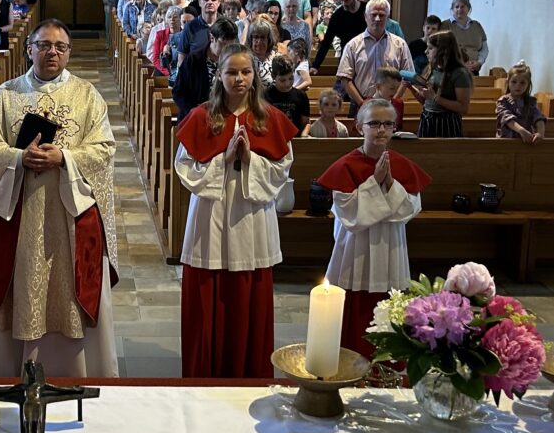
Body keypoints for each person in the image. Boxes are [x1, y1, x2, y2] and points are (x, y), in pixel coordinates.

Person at [0, 19, 119, 378]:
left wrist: (64, 157)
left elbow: (104, 148)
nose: (52, 52)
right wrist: (18, 157)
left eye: (60, 47)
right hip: (20, 216)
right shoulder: (6, 94)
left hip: (68, 218)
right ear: (29, 49)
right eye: (43, 45)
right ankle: (14, 374)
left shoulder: (87, 95)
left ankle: (74, 375)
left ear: (68, 53)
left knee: (67, 291)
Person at [174, 44, 297, 378]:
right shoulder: (201, 116)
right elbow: (184, 167)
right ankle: (205, 376)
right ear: (219, 75)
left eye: (245, 72)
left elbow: (282, 168)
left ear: (255, 76)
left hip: (252, 217)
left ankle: (248, 375)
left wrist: (250, 160)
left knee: (249, 294)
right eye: (231, 72)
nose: (239, 78)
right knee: (208, 293)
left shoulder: (269, 118)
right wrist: (223, 159)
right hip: (211, 215)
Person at [317, 98, 429, 359]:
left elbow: (410, 209)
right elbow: (348, 214)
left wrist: (390, 183)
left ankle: (388, 368)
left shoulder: (402, 165)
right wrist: (375, 182)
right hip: (355, 249)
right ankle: (349, 362)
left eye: (388, 124)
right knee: (353, 308)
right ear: (359, 127)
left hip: (391, 246)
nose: (381, 130)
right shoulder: (346, 165)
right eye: (374, 123)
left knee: (390, 306)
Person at [335, 0, 413, 116]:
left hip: (391, 105)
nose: (377, 19)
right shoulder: (353, 45)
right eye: (373, 15)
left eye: (381, 15)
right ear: (365, 17)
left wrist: (393, 101)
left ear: (388, 18)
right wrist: (362, 103)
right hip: (360, 103)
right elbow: (345, 78)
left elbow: (407, 77)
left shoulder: (400, 45)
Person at [173, 18, 239, 123]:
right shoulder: (193, 60)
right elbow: (178, 92)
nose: (227, 49)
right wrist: (195, 112)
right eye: (223, 44)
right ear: (212, 38)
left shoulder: (234, 62)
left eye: (231, 45)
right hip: (194, 118)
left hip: (224, 118)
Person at [412, 31, 472, 137]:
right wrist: (411, 87)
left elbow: (463, 107)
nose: (426, 51)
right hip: (428, 119)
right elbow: (426, 102)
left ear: (443, 50)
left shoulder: (459, 73)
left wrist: (435, 97)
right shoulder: (431, 68)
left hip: (447, 123)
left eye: (430, 48)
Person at [312, 0, 366, 73]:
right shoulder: (337, 16)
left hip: (366, 55)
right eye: (342, 1)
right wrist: (315, 65)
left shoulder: (367, 10)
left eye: (347, 0)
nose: (344, 4)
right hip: (347, 56)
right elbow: (326, 42)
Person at [496, 61, 547, 143]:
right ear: (508, 82)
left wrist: (540, 133)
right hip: (506, 141)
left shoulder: (531, 102)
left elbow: (538, 118)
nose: (518, 86)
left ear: (528, 84)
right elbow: (507, 119)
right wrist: (521, 130)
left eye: (522, 83)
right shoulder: (503, 101)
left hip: (527, 141)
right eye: (514, 82)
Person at [441, 0, 488, 74]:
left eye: (462, 6)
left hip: (473, 70)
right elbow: (442, 50)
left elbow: (484, 48)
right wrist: (460, 64)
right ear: (452, 9)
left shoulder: (476, 25)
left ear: (468, 8)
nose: (459, 9)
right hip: (453, 71)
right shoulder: (445, 26)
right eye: (457, 7)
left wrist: (479, 62)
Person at [266, 55, 310, 136]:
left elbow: (305, 122)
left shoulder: (301, 95)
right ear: (273, 76)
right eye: (282, 80)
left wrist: (304, 135)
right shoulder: (266, 95)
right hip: (273, 137)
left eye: (291, 78)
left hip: (295, 138)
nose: (287, 84)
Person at [247, 19, 282, 90]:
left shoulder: (278, 58)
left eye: (263, 37)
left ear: (268, 39)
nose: (259, 41)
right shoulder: (246, 58)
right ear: (251, 39)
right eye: (256, 37)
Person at [373, 67, 406, 131]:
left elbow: (398, 128)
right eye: (392, 88)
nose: (395, 92)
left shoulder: (398, 103)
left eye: (397, 88)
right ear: (378, 87)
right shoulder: (366, 104)